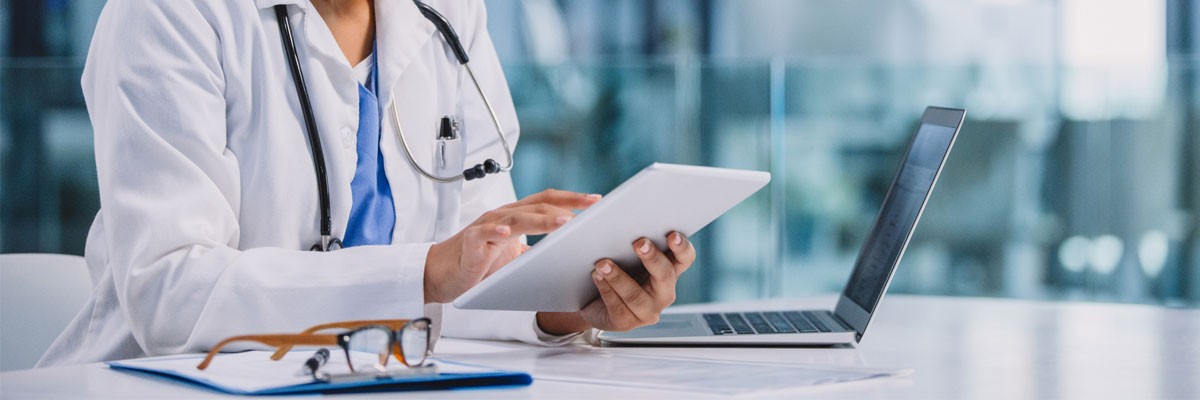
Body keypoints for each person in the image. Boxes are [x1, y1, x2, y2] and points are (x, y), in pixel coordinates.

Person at [37, 0, 694, 367]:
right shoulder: (170, 14)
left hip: (381, 378)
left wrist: (569, 304)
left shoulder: (445, 16)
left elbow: (482, 273)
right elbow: (170, 295)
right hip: (159, 384)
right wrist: (427, 272)